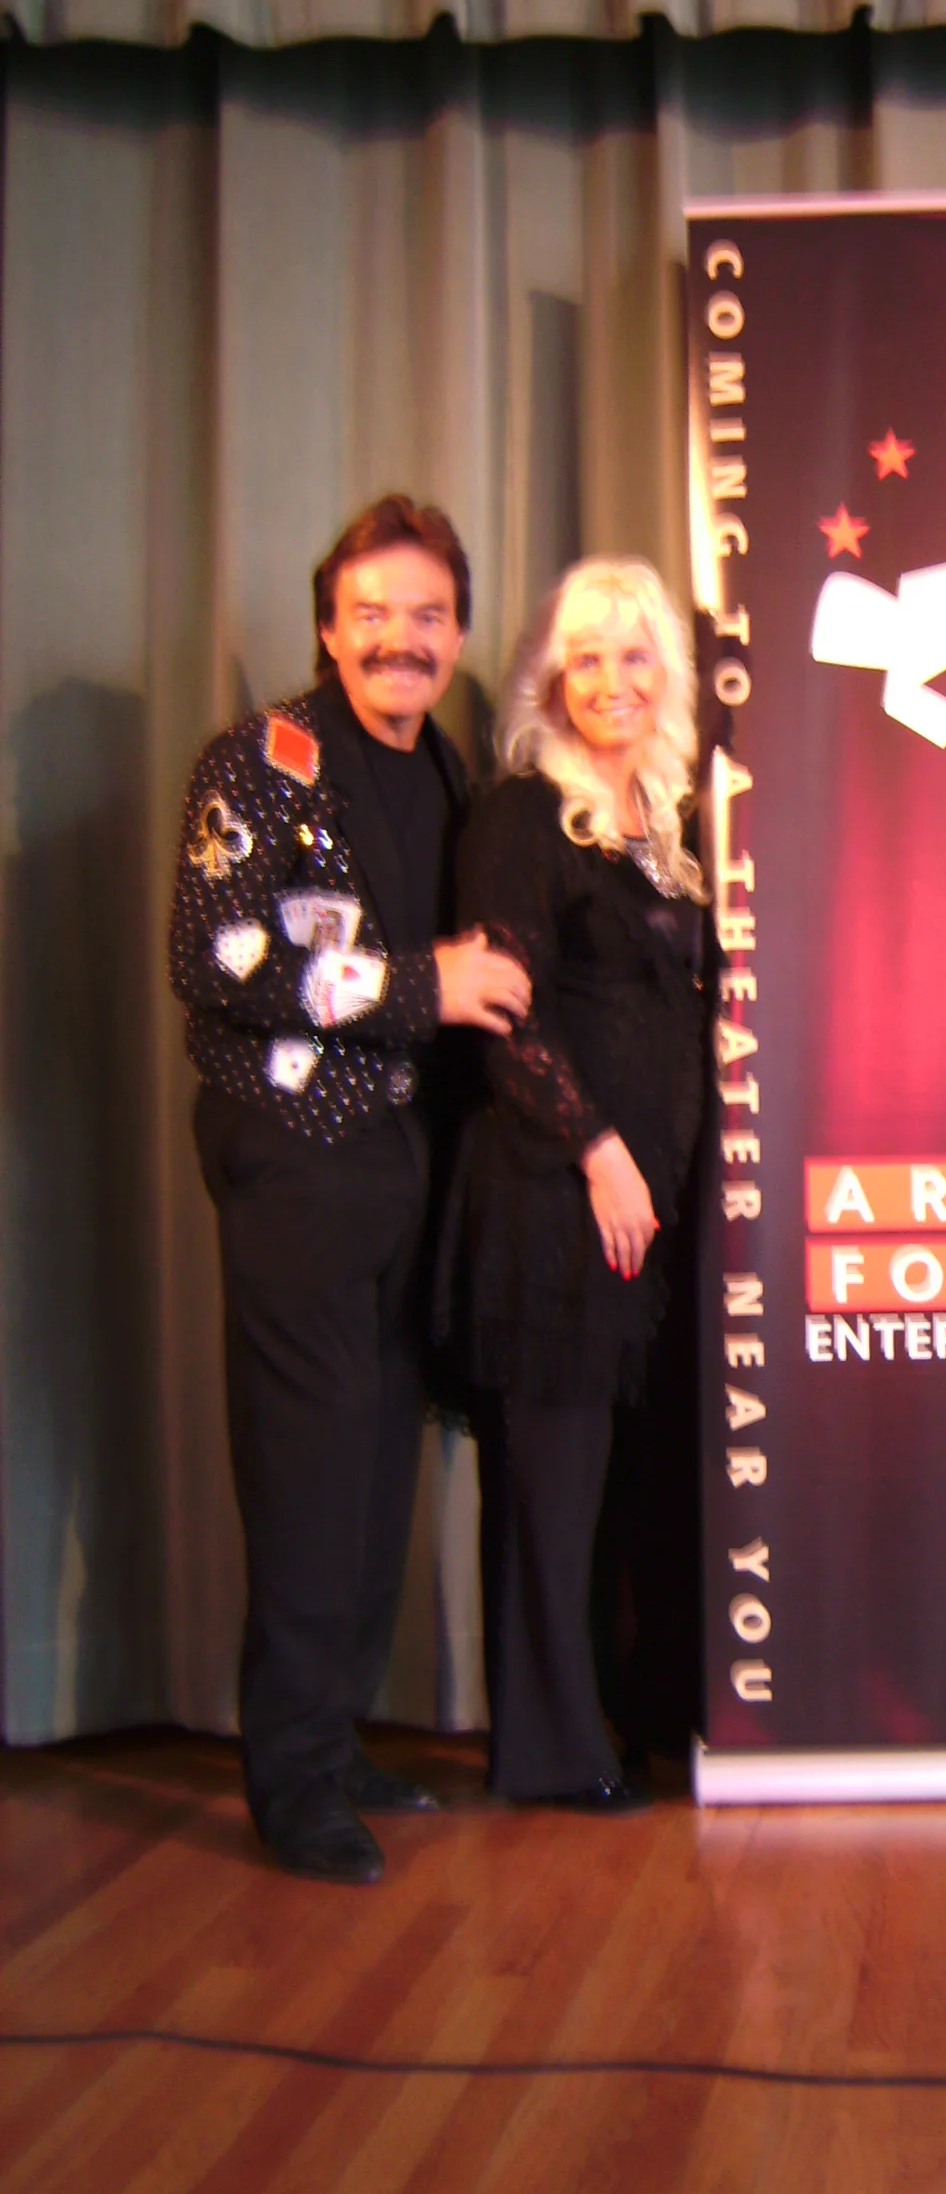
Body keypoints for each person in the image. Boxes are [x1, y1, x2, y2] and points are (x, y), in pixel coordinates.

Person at [169, 494, 531, 1884]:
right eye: (372, 613)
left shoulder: (445, 769)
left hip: (405, 1167)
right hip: (298, 1162)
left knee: (380, 1466)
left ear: (457, 633)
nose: (400, 638)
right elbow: (217, 954)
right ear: (329, 625)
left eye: (426, 615)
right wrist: (417, 985)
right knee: (313, 1474)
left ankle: (338, 1739)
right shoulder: (260, 760)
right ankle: (295, 1781)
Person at [442, 557, 708, 1811]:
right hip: (554, 1199)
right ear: (552, 676)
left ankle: (615, 1717)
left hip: (643, 1215)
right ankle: (548, 1751)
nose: (611, 680)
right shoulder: (518, 814)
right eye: (586, 657)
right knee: (551, 1491)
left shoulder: (664, 824)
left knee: (617, 1486)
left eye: (636, 653)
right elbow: (506, 1015)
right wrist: (600, 1148)